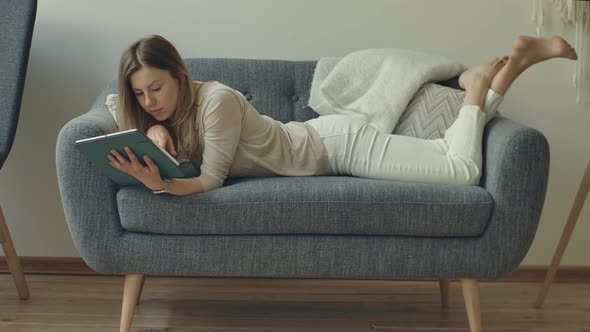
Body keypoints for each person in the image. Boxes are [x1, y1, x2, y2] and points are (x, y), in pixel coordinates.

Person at [107, 35, 577, 196]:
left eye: (157, 89)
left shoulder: (217, 102)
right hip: (324, 141)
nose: (150, 100)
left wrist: (161, 185)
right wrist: (151, 126)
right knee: (445, 152)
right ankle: (517, 62)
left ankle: (474, 90)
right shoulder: (158, 110)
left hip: (338, 146)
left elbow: (211, 181)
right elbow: (114, 105)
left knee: (462, 171)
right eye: (141, 94)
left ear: (181, 75)